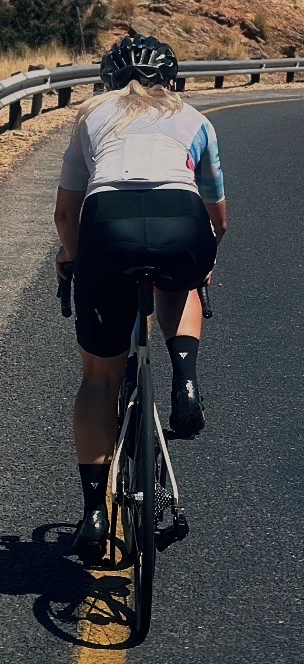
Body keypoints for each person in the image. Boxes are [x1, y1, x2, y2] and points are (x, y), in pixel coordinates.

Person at [53, 35, 227, 562]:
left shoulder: (91, 117)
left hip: (108, 228)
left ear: (108, 80)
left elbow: (66, 215)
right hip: (182, 221)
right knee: (186, 282)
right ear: (173, 81)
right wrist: (205, 260)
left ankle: (94, 512)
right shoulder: (197, 121)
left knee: (98, 378)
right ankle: (186, 378)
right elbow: (218, 217)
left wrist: (73, 260)